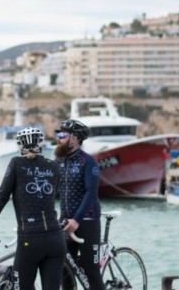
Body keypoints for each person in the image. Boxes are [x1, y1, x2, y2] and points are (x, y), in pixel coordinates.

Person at [0, 127, 65, 290]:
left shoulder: (17, 163)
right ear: (41, 145)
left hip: (30, 239)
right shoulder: (54, 166)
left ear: (20, 146)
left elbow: (1, 196)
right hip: (56, 239)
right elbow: (59, 196)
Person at [54, 119, 105, 290]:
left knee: (91, 270)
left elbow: (91, 193)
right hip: (65, 220)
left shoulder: (88, 161)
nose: (58, 138)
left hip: (87, 220)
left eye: (62, 135)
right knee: (64, 268)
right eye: (58, 134)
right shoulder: (59, 161)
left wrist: (76, 220)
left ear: (74, 138)